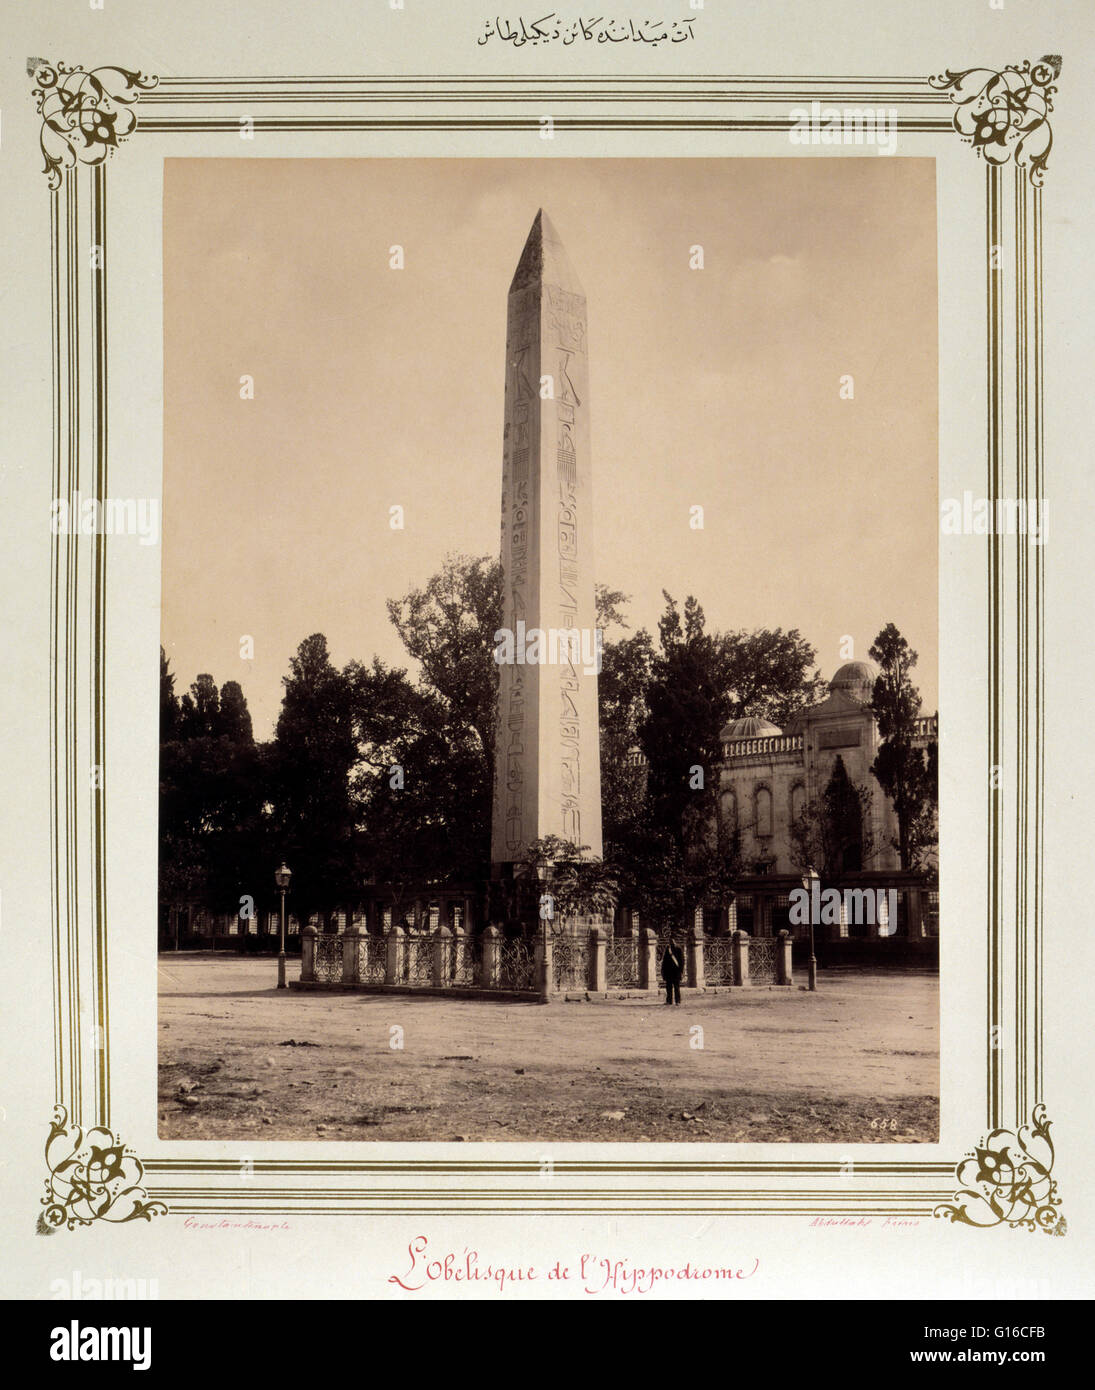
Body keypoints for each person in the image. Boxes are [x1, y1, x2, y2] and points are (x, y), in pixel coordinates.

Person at [661, 935, 684, 1006]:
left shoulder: (679, 949)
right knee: (668, 987)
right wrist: (663, 970)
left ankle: (678, 1001)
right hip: (668, 971)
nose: (671, 942)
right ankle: (669, 1001)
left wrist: (681, 971)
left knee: (676, 987)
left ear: (675, 941)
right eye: (670, 941)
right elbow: (664, 961)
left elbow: (682, 961)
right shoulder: (668, 949)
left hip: (676, 971)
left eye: (673, 941)